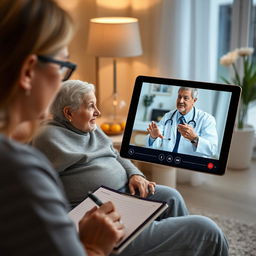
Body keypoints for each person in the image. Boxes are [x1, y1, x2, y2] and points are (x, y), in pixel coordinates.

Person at [32, 79, 229, 256]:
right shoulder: (48, 138)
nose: (98, 113)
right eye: (91, 106)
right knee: (205, 229)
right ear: (68, 113)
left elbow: (115, 154)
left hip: (125, 193)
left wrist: (135, 174)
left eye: (185, 98)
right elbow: (36, 190)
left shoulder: (90, 127)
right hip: (101, 211)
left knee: (172, 196)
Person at [0, 1, 125, 255]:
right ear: (28, 72)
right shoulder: (21, 170)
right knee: (204, 230)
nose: (61, 84)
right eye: (62, 67)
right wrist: (93, 247)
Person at [146, 87, 218, 157]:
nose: (180, 101)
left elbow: (212, 150)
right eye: (179, 97)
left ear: (194, 100)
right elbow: (154, 144)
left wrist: (194, 138)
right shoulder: (168, 116)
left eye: (185, 98)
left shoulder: (206, 119)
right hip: (167, 161)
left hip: (190, 166)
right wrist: (153, 137)